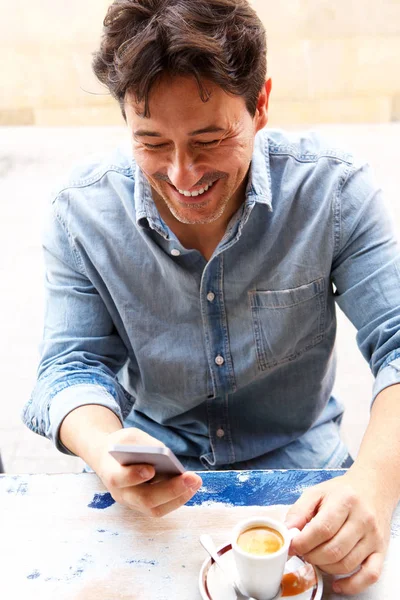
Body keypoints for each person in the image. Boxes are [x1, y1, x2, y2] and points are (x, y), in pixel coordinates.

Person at [23, 0, 400, 594]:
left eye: (209, 139)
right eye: (150, 143)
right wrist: (103, 445)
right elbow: (70, 367)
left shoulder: (335, 192)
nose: (182, 175)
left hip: (308, 483)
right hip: (154, 499)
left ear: (262, 104)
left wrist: (376, 481)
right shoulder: (81, 214)